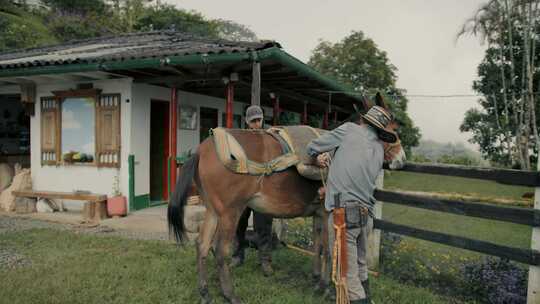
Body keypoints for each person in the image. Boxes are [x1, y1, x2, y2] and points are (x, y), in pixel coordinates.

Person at [306, 106, 398, 304]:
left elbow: (312, 147)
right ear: (379, 130)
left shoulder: (348, 129)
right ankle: (369, 298)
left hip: (343, 215)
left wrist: (319, 157)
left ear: (363, 121)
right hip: (365, 215)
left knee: (347, 274)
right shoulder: (379, 150)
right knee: (360, 266)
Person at [230, 105, 275, 276]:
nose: (257, 124)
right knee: (238, 224)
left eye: (259, 120)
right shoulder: (240, 140)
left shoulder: (269, 137)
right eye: (253, 121)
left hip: (263, 191)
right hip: (243, 190)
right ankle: (237, 256)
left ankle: (265, 261)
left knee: (263, 226)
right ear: (247, 122)